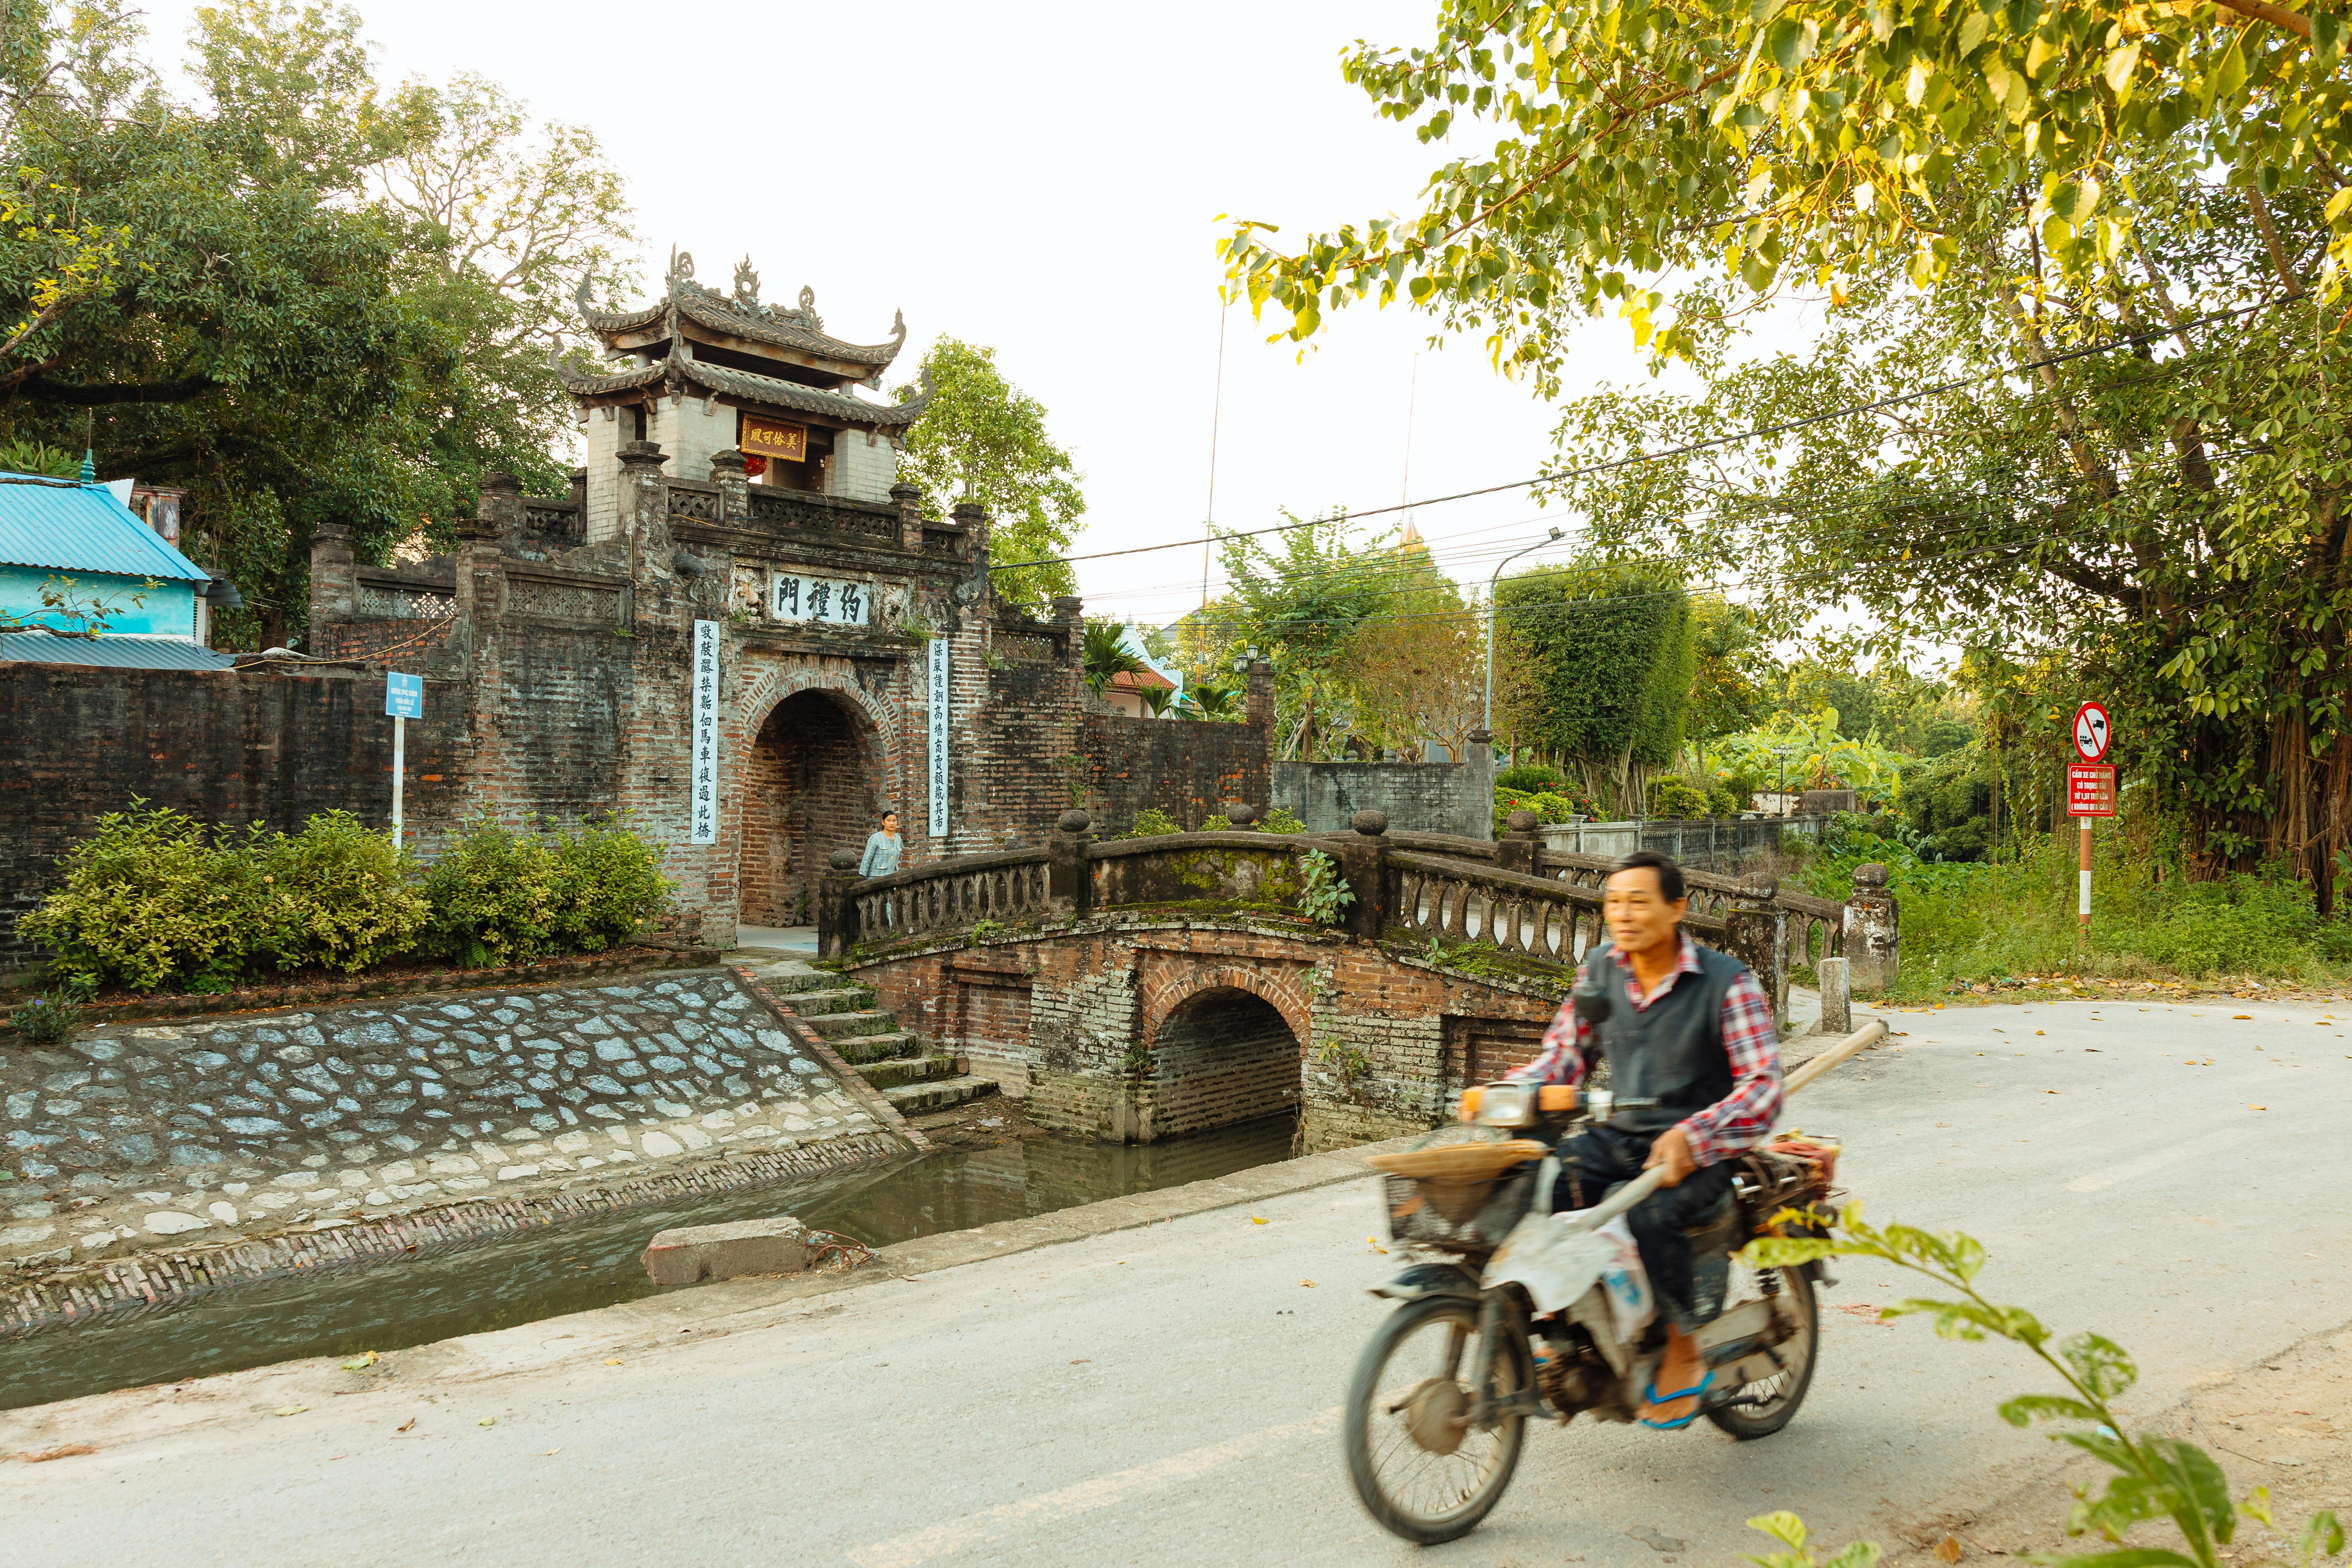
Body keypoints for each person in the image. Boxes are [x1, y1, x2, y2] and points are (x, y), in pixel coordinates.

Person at [1503, 849, 1782, 1431]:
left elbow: (1762, 1090)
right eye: (1613, 902)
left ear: (1677, 908)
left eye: (1638, 901)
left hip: (1699, 1149)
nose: (1622, 915)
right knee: (1544, 1187)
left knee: (1651, 1217)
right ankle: (1566, 1325)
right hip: (1622, 1134)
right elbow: (1565, 1054)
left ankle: (1680, 1340)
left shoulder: (1727, 984)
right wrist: (1513, 1091)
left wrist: (1695, 1133)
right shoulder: (1602, 969)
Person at [857, 810, 904, 878]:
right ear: (883, 822)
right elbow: (867, 859)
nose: (892, 823)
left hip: (892, 877)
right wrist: (862, 876)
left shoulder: (898, 838)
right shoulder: (875, 838)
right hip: (876, 877)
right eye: (888, 821)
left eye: (894, 821)